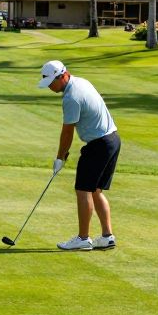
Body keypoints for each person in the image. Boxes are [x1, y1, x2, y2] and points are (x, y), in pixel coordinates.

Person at [38, 60, 119, 251]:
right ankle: (107, 236)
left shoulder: (71, 97)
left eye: (51, 82)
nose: (50, 87)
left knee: (83, 189)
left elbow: (68, 131)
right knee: (95, 189)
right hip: (113, 140)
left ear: (62, 76)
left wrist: (60, 157)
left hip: (98, 145)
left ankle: (83, 238)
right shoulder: (81, 81)